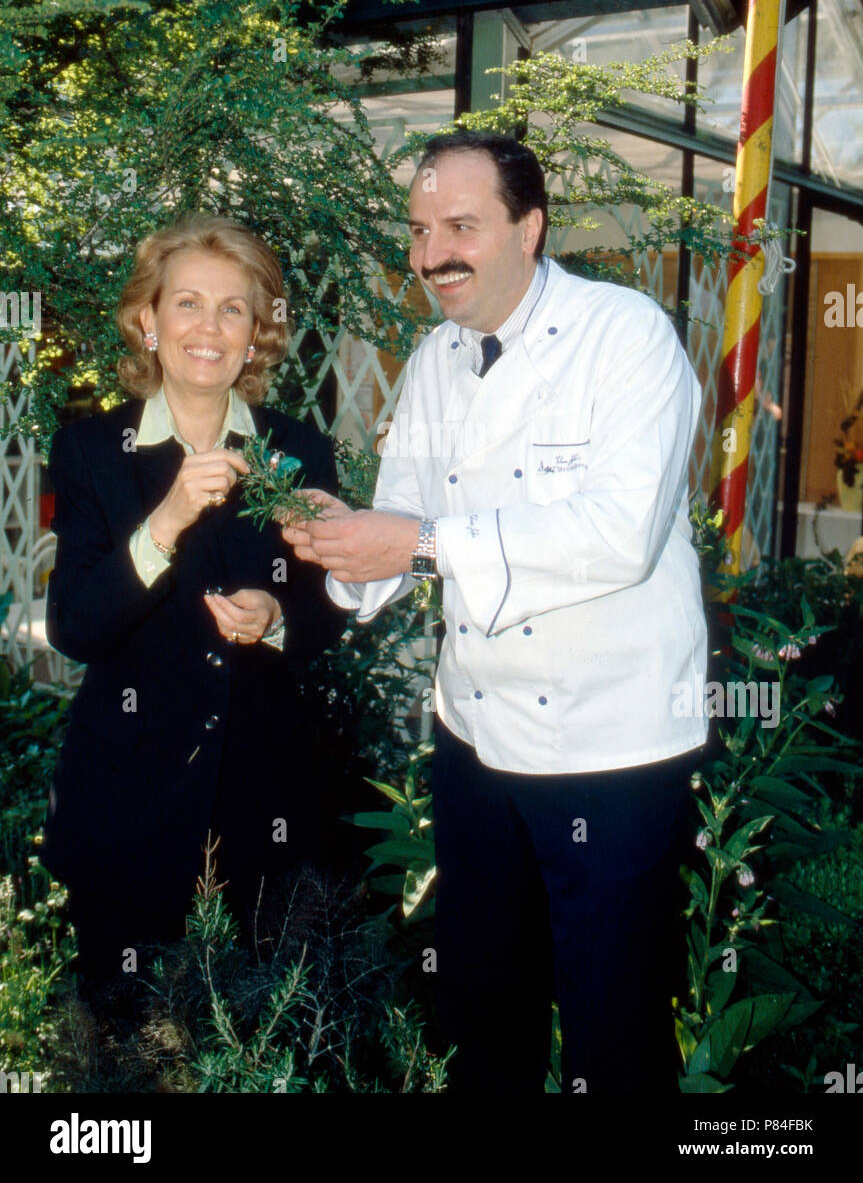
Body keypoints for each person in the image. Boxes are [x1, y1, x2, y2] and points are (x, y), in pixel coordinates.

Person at [282, 130, 709, 1094]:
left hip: (610, 748)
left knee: (613, 1026)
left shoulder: (626, 333)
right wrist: (341, 546)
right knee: (485, 1013)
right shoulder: (435, 357)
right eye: (420, 228)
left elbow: (616, 534)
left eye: (461, 227)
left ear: (530, 229)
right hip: (473, 738)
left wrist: (421, 544)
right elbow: (400, 523)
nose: (430, 255)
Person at [42, 213, 346, 1002]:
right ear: (148, 321)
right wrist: (167, 520)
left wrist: (277, 618)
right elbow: (77, 628)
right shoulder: (88, 454)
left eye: (232, 308)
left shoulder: (298, 450)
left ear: (257, 334)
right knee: (124, 1046)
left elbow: (331, 607)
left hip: (267, 810)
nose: (207, 327)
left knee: (267, 1035)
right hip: (125, 814)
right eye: (186, 303)